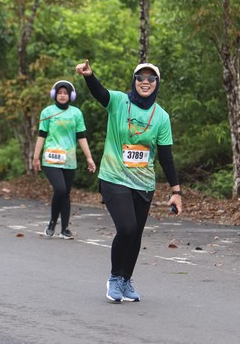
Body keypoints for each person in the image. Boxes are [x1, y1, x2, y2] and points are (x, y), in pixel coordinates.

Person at [75, 59, 182, 303]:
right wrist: (89, 76)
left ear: (157, 83)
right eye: (140, 77)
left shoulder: (161, 117)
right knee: (127, 228)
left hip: (143, 182)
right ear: (134, 81)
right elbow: (100, 93)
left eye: (151, 78)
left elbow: (166, 156)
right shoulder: (119, 102)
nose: (145, 82)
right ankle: (114, 278)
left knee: (136, 234)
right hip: (114, 177)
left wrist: (176, 191)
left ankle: (126, 279)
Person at [33, 80, 96, 239]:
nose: (62, 96)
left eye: (65, 93)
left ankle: (65, 228)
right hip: (50, 159)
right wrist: (36, 157)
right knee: (60, 189)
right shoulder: (47, 112)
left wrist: (89, 158)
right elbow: (42, 135)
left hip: (69, 160)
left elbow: (81, 136)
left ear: (71, 96)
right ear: (54, 94)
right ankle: (52, 222)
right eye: (59, 93)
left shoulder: (76, 113)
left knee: (66, 194)